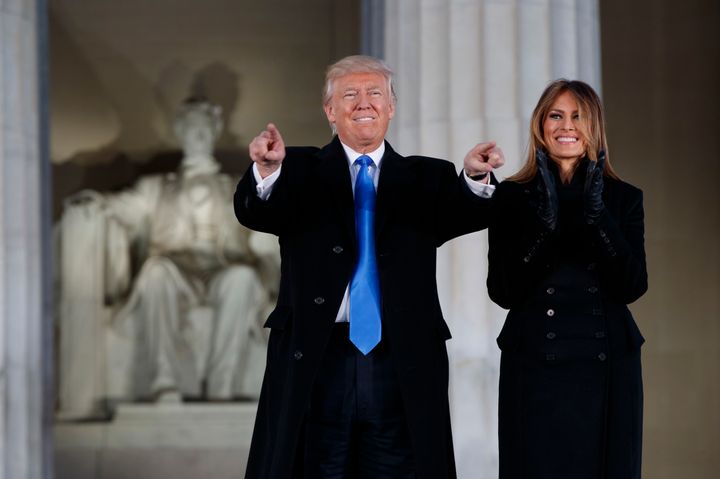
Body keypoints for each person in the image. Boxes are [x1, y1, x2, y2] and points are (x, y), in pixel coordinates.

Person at [234, 55, 505, 479]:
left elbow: (464, 213)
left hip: (400, 363)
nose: (365, 103)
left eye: (375, 93)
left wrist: (473, 178)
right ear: (330, 111)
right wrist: (266, 171)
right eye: (350, 95)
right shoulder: (299, 170)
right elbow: (258, 213)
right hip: (320, 359)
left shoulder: (427, 177)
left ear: (391, 106)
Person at [58, 97, 276, 414]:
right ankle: (165, 381)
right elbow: (121, 207)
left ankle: (222, 384)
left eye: (204, 127)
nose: (198, 134)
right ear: (181, 133)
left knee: (243, 278)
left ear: (214, 132)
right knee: (155, 271)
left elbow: (267, 223)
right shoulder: (155, 187)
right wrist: (93, 203)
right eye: (191, 127)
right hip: (174, 267)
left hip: (223, 267)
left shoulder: (238, 187)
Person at [487, 79, 647, 478]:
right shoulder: (511, 196)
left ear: (594, 125)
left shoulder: (624, 197)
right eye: (555, 115)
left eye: (577, 116)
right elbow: (502, 291)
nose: (566, 126)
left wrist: (599, 218)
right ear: (541, 125)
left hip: (607, 366)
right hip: (535, 367)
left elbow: (633, 285)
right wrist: (545, 226)